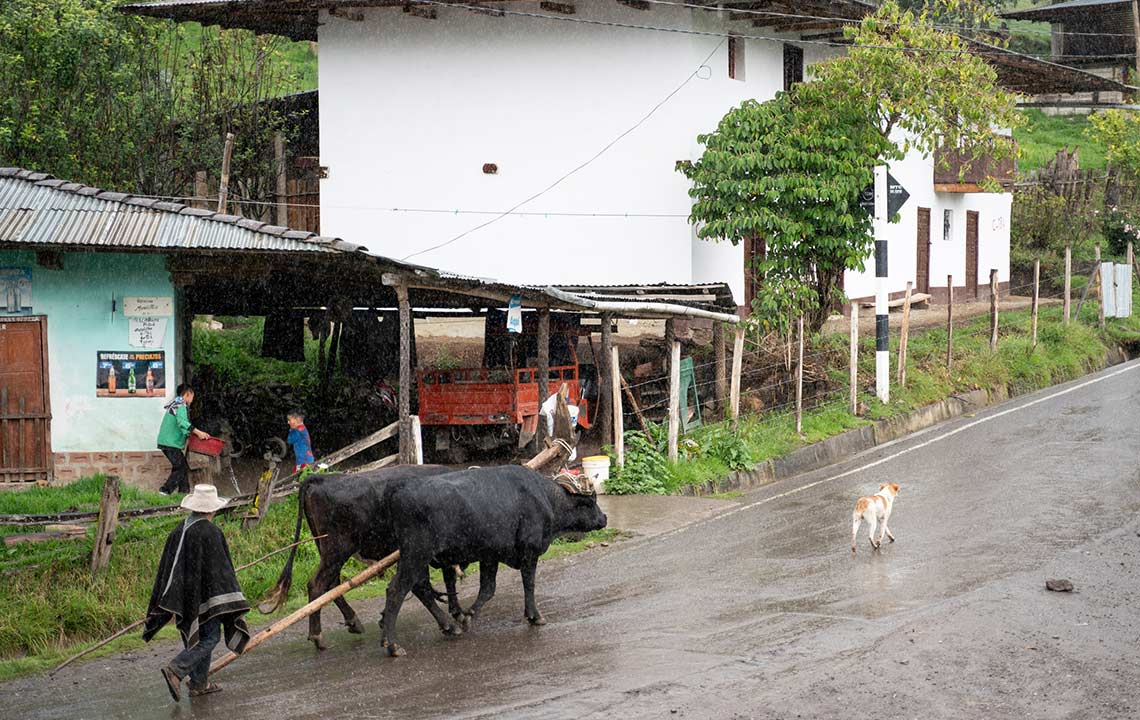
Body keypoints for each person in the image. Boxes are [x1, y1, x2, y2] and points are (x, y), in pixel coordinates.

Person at [144, 484, 250, 702]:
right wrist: (232, 597)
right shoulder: (210, 532)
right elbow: (222, 571)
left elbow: (174, 568)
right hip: (206, 596)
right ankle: (176, 669)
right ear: (212, 509)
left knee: (198, 637)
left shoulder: (180, 529)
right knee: (210, 637)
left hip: (187, 597)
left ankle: (199, 684)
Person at [157, 384, 210, 495]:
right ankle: (165, 491)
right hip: (170, 443)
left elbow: (182, 426)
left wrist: (192, 434)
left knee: (182, 467)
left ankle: (184, 493)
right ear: (187, 394)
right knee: (180, 467)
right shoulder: (181, 405)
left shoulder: (176, 403)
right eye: (192, 397)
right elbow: (183, 423)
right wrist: (199, 432)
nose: (192, 400)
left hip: (168, 442)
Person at [287, 410, 315, 474]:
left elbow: (289, 441)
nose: (288, 422)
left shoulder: (297, 431)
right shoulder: (302, 428)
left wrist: (291, 430)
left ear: (296, 420)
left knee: (296, 477)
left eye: (289, 420)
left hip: (303, 461)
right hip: (307, 459)